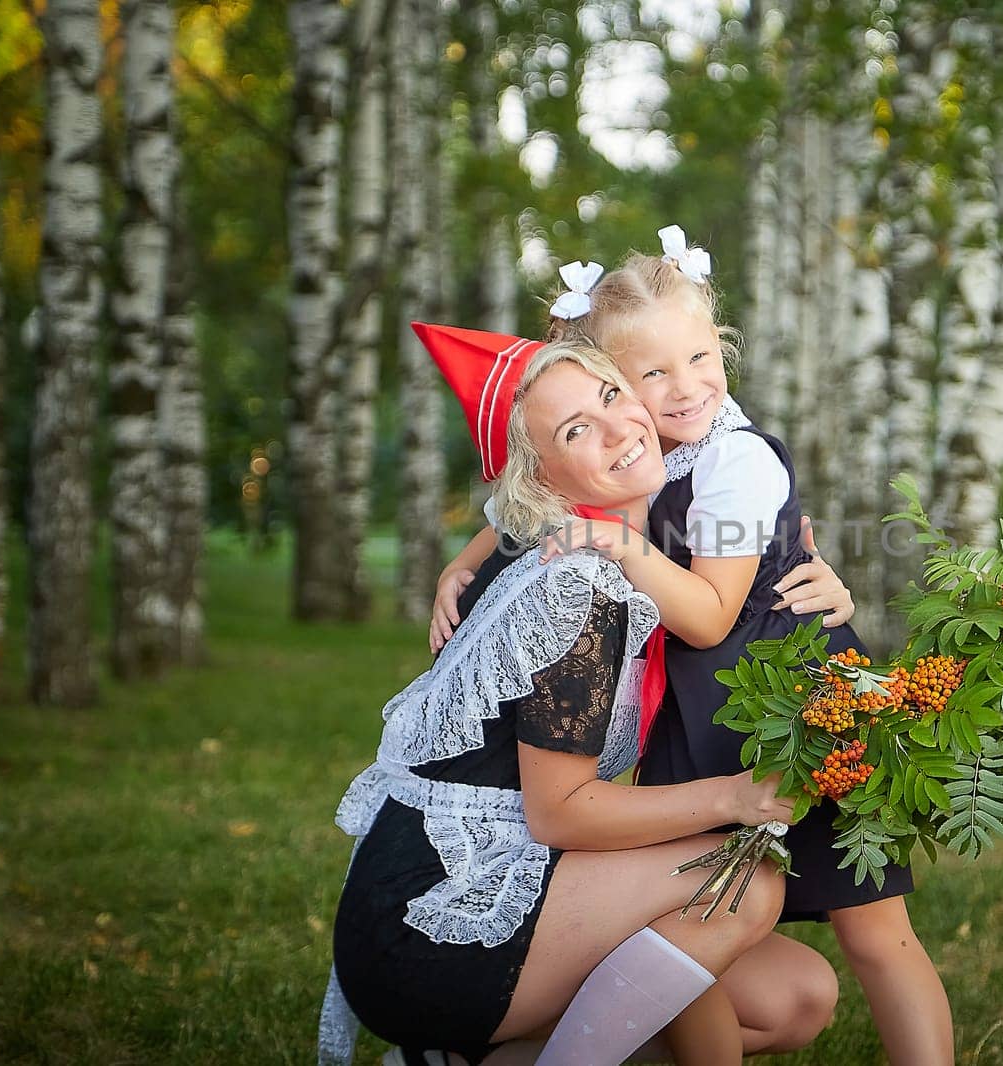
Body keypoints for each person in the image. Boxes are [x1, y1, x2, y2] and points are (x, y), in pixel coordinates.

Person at [428, 227, 955, 1064]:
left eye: (702, 358)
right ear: (609, 384)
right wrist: (457, 570)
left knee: (874, 925)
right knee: (697, 920)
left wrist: (617, 545)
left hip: (799, 689)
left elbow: (710, 616)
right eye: (652, 374)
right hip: (699, 714)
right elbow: (517, 511)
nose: (686, 389)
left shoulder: (736, 459)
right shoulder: (625, 441)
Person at [320, 339, 835, 1066]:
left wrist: (825, 579)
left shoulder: (630, 546)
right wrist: (733, 799)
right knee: (742, 882)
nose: (619, 428)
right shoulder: (576, 588)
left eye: (611, 396)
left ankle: (465, 1061)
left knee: (797, 993)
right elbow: (559, 811)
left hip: (516, 874)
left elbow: (749, 552)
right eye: (574, 431)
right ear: (542, 481)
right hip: (435, 924)